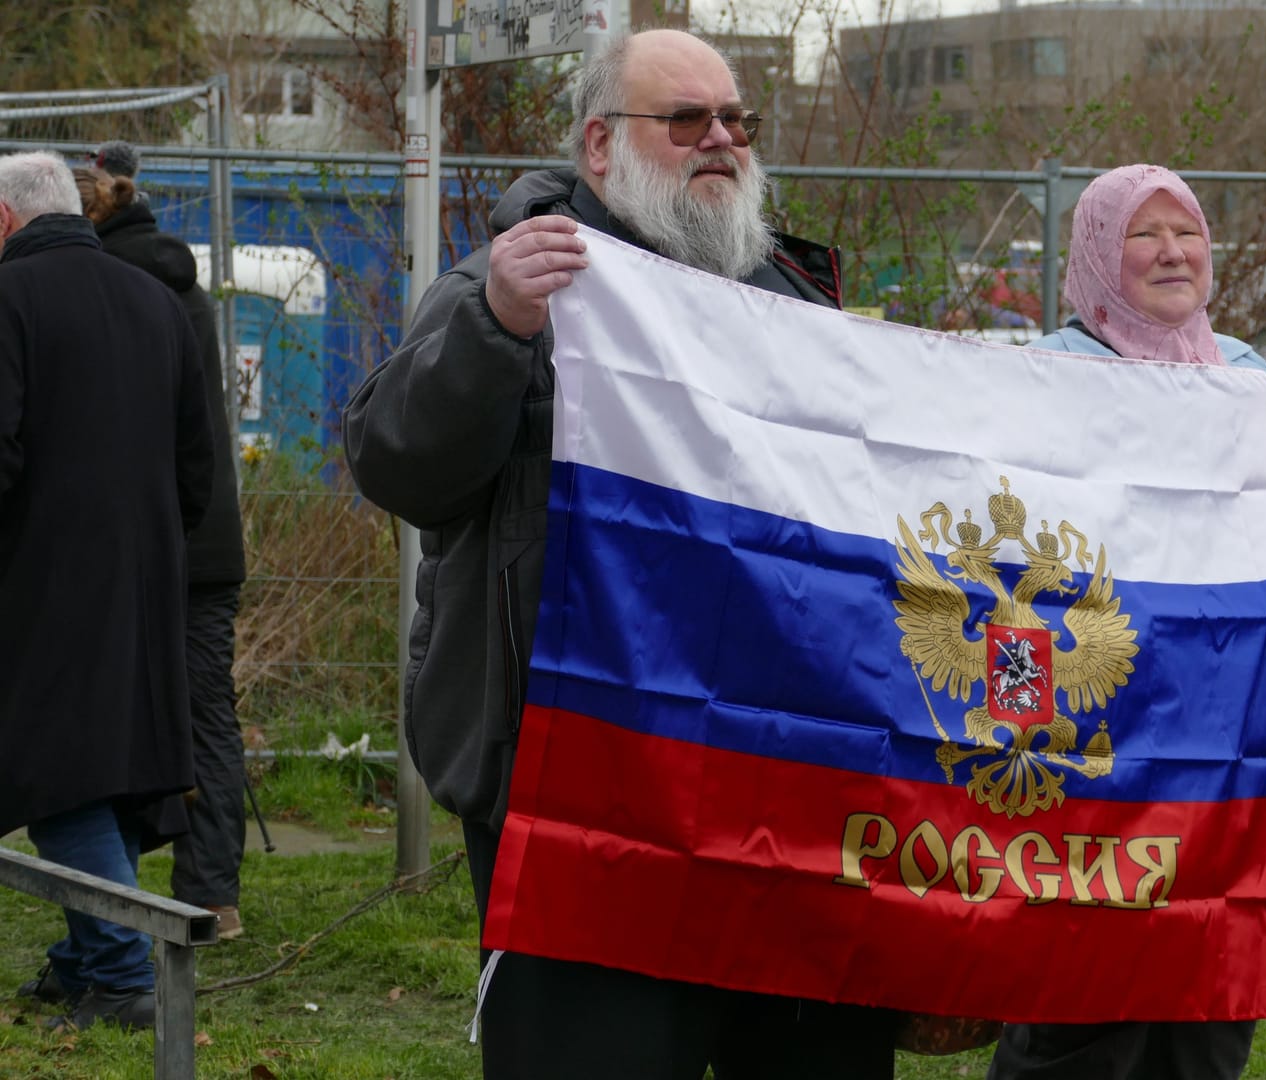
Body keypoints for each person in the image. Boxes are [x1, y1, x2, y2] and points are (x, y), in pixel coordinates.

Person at [343, 29, 897, 1078]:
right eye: (686, 119)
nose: (721, 140)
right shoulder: (517, 283)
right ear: (601, 146)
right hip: (577, 781)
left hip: (774, 781)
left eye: (736, 119)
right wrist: (497, 329)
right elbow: (396, 465)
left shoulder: (792, 297)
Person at [992, 164, 1266, 1080]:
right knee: (1084, 988)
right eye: (1143, 233)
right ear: (1097, 253)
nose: (1172, 251)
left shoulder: (1245, 377)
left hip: (1225, 730)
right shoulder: (1039, 375)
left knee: (1212, 978)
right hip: (1092, 728)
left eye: (1187, 232)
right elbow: (1000, 559)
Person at [0, 151, 214, 1030]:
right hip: (148, 575)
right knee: (111, 765)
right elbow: (198, 468)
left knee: (62, 780)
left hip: (43, 579)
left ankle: (124, 976)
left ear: (6, 223)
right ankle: (85, 957)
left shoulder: (9, 302)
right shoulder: (156, 304)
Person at [74, 166, 251, 942]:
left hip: (135, 542)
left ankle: (114, 886)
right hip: (210, 540)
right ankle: (214, 893)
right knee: (209, 717)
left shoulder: (103, 291)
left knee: (112, 713)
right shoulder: (188, 289)